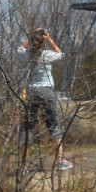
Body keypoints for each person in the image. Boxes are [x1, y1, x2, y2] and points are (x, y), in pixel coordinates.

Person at [17, 27, 72, 170]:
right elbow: (61, 54)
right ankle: (60, 161)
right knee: (54, 125)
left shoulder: (28, 54)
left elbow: (19, 50)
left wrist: (31, 37)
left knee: (27, 128)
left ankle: (23, 165)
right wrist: (49, 40)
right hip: (47, 91)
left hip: (31, 92)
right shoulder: (47, 55)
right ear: (43, 43)